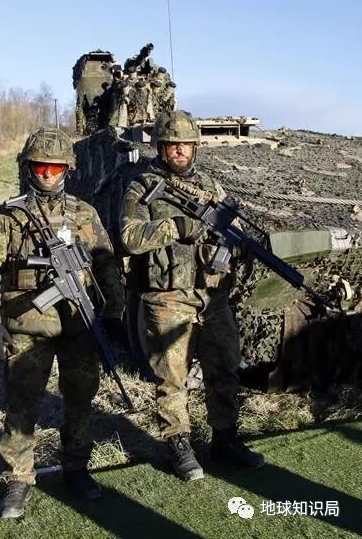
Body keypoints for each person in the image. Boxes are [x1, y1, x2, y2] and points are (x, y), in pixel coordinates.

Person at [0, 128, 124, 518]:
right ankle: (18, 478)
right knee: (21, 405)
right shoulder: (10, 215)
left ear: (67, 169)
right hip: (26, 325)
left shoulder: (84, 213)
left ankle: (76, 467)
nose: (46, 173)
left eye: (55, 167)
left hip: (79, 324)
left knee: (81, 399)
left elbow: (106, 263)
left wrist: (114, 313)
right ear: (29, 167)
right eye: (40, 165)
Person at [119, 110, 264, 481]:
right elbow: (130, 237)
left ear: (195, 147)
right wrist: (176, 227)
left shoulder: (211, 188)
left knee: (224, 367)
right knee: (171, 377)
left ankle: (226, 438)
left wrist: (237, 246)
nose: (179, 151)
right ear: (161, 148)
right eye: (172, 145)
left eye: (185, 144)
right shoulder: (142, 187)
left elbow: (231, 231)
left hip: (212, 295)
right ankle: (178, 444)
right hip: (168, 296)